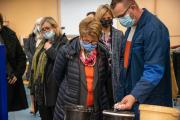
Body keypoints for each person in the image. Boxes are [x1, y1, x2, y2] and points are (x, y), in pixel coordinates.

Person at [110, 0, 172, 119]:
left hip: (151, 101)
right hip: (134, 98)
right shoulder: (131, 28)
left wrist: (134, 95)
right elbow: (125, 64)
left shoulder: (154, 29)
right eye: (117, 18)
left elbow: (154, 69)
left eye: (121, 16)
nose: (120, 20)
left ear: (133, 7)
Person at [53, 17, 112, 120]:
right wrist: (70, 91)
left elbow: (105, 78)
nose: (89, 44)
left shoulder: (103, 53)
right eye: (86, 41)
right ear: (80, 37)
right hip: (70, 107)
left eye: (93, 42)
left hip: (94, 110)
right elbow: (57, 77)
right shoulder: (66, 51)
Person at [30, 17, 67, 120]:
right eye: (43, 29)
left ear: (55, 27)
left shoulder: (63, 42)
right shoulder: (42, 43)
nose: (45, 31)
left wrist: (50, 49)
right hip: (41, 91)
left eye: (48, 28)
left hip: (54, 92)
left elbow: (62, 62)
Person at [95, 4, 124, 102]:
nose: (107, 20)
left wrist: (120, 70)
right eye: (104, 18)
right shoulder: (95, 34)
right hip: (100, 73)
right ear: (99, 18)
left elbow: (122, 56)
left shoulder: (119, 34)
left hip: (115, 74)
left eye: (109, 17)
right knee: (100, 100)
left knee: (114, 99)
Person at [0, 13, 28, 112]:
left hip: (8, 79)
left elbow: (21, 57)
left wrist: (17, 74)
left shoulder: (10, 35)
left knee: (4, 109)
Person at [24, 17, 43, 114]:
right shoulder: (30, 37)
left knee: (40, 86)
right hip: (32, 65)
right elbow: (26, 49)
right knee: (32, 87)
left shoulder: (45, 37)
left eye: (40, 24)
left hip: (42, 66)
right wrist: (33, 58)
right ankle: (33, 105)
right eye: (37, 24)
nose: (38, 26)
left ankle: (41, 106)